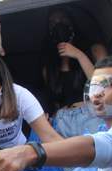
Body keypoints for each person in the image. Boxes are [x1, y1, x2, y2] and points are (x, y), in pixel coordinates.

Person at [42, 6, 107, 137]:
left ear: (71, 22)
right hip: (62, 119)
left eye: (62, 19)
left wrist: (79, 55)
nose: (58, 25)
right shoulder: (49, 66)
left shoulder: (94, 50)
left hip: (91, 112)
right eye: (53, 23)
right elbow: (55, 101)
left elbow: (105, 87)